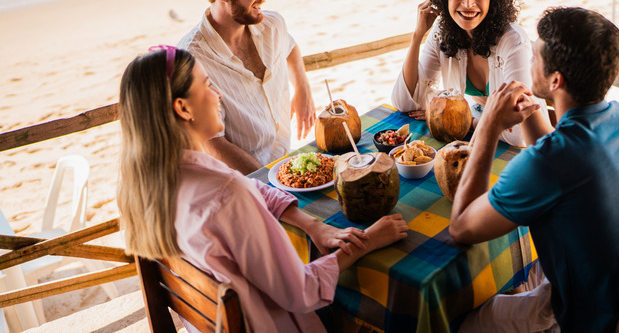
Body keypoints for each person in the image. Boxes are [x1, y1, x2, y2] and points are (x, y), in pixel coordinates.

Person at [116, 46, 408, 333]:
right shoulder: (225, 193)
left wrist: (311, 224)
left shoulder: (150, 184)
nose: (218, 94)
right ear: (183, 107)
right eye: (207, 85)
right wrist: (367, 241)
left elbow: (253, 187)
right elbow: (301, 291)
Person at [449, 7, 619, 332]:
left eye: (535, 55)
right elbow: (564, 160)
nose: (528, 63)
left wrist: (489, 128)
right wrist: (529, 115)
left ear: (555, 80)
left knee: (459, 322)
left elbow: (462, 227)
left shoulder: (548, 164)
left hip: (592, 319)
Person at [178, 0, 315, 174]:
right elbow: (211, 142)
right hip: (241, 183)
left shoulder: (273, 24)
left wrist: (302, 88)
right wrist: (268, 185)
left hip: (283, 164)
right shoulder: (191, 59)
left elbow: (290, 47)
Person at [391, 0, 551, 147]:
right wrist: (417, 36)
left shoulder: (512, 41)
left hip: (528, 146)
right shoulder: (442, 32)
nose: (468, 4)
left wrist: (464, 121)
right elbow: (406, 103)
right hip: (484, 126)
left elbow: (519, 134)